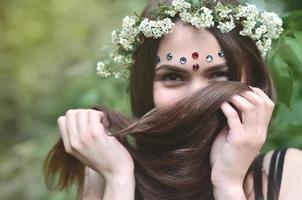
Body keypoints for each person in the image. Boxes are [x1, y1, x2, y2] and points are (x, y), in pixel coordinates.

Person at [43, 0, 302, 199]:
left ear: (253, 81)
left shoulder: (287, 171)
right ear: (145, 87)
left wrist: (228, 184)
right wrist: (119, 179)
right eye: (174, 77)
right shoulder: (103, 171)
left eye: (219, 75)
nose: (196, 96)